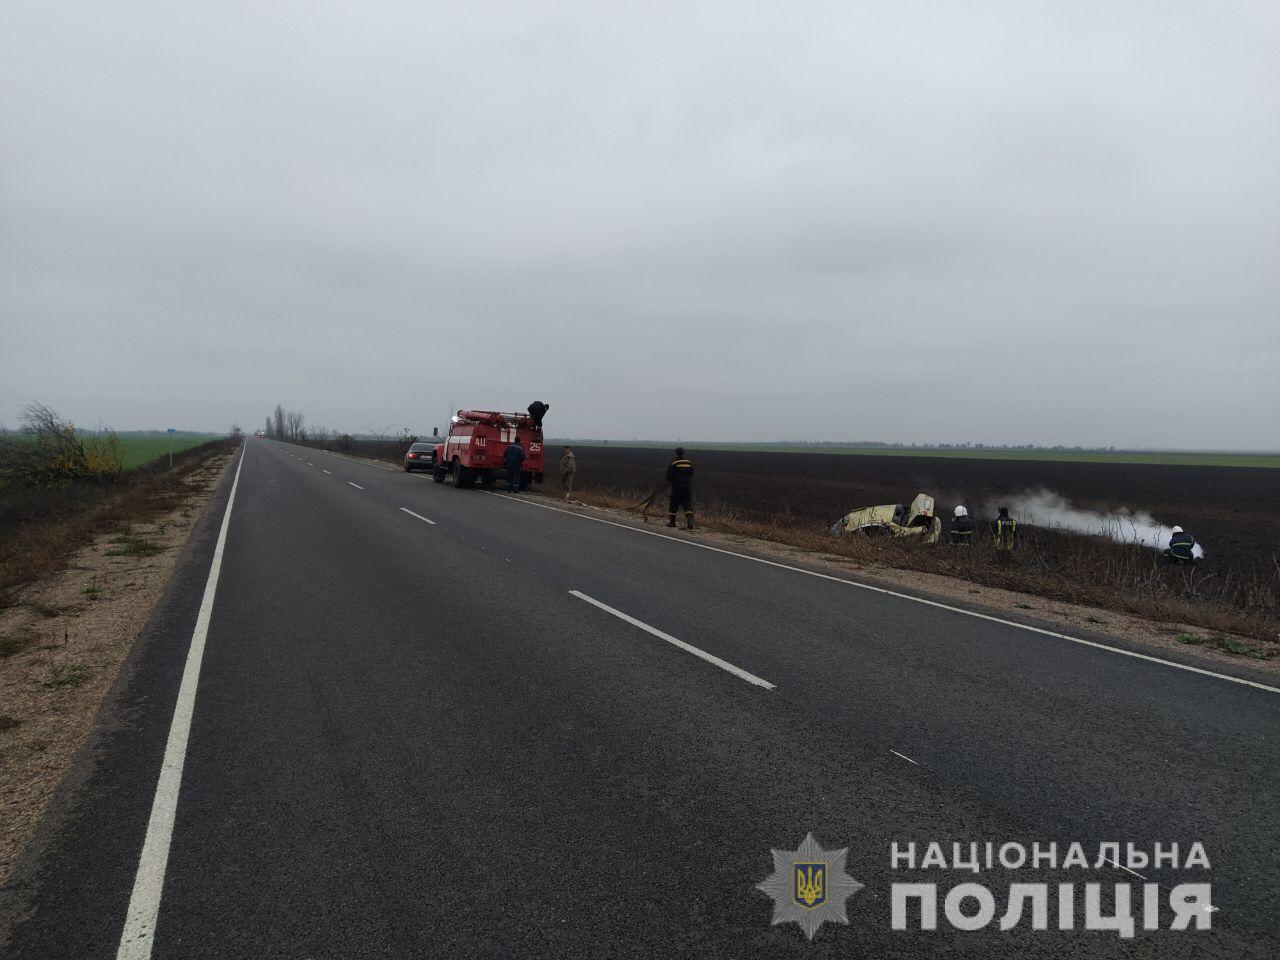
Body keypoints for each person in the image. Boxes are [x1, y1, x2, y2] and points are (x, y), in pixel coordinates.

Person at [666, 447, 694, 529]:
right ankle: (689, 516)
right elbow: (692, 474)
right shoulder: (689, 462)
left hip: (677, 486)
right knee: (687, 503)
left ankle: (672, 522)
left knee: (674, 503)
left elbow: (669, 476)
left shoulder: (674, 463)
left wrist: (671, 480)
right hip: (687, 486)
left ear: (676, 453)